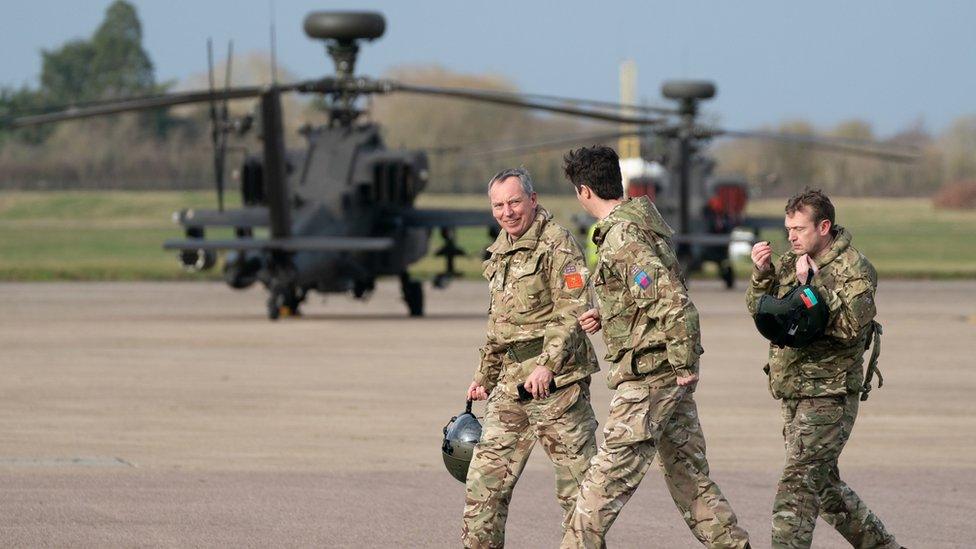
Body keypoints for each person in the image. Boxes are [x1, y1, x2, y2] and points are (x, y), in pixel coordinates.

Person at [561, 146, 750, 549]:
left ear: (584, 191)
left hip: (650, 378)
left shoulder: (623, 237)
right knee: (689, 480)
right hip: (664, 375)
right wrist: (606, 316)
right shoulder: (639, 226)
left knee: (602, 483)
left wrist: (683, 363)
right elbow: (642, 295)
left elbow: (671, 302)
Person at [748, 189, 902, 549]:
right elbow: (764, 313)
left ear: (824, 226)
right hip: (793, 390)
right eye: (788, 229)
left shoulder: (856, 269)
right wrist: (762, 274)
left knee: (797, 485)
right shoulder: (790, 261)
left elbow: (852, 328)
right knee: (825, 489)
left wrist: (810, 289)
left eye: (799, 229)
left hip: (828, 394)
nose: (791, 236)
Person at [462, 167, 601, 548]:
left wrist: (547, 364)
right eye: (499, 205)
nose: (507, 212)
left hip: (557, 387)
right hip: (511, 385)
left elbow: (574, 306)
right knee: (483, 485)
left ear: (533, 200)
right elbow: (500, 321)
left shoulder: (558, 244)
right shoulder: (502, 247)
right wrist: (484, 376)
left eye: (514, 202)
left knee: (578, 496)